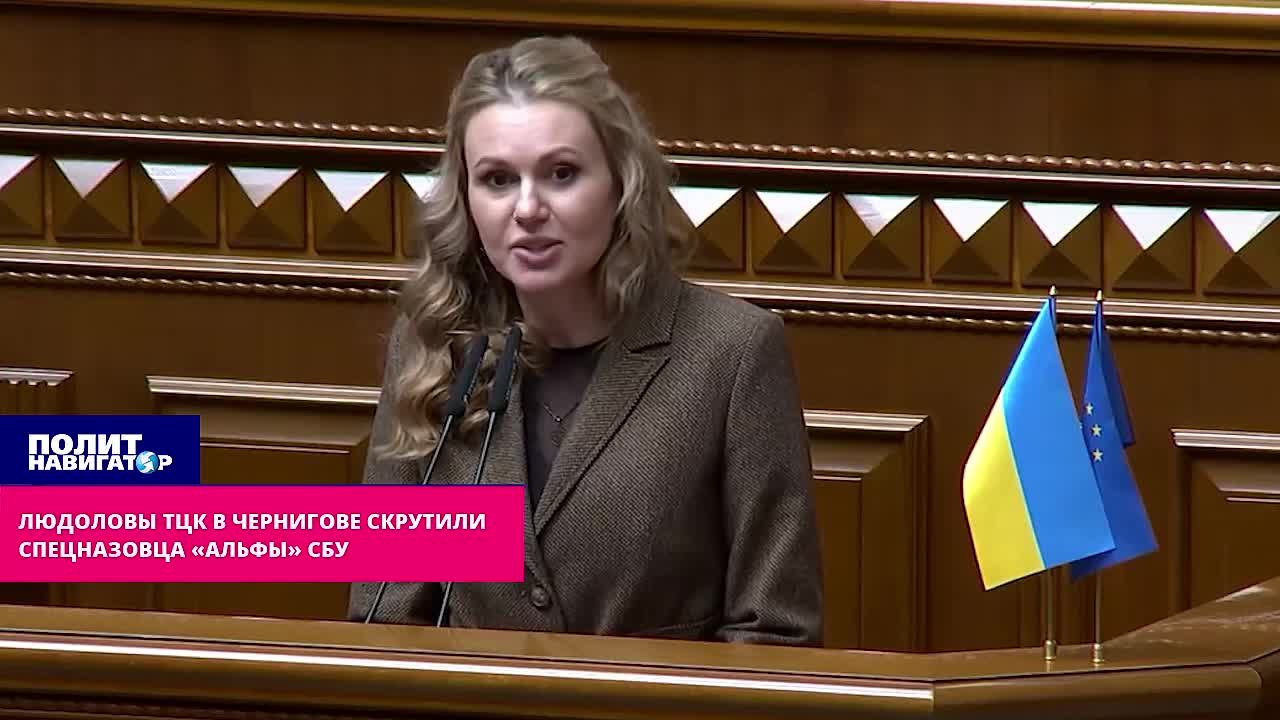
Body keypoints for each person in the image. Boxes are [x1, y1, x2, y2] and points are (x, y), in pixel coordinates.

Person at [348, 35, 824, 646]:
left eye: (561, 174)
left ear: (620, 183)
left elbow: (775, 632)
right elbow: (385, 616)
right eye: (497, 179)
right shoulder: (436, 344)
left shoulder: (731, 353)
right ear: (465, 199)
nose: (527, 209)